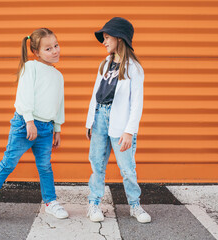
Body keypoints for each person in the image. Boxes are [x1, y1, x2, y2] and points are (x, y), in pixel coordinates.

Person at [0, 28, 68, 224]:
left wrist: (57, 127)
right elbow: (24, 96)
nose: (55, 51)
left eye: (56, 45)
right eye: (48, 48)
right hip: (25, 125)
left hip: (46, 128)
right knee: (8, 163)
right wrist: (29, 121)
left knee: (45, 166)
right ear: (36, 52)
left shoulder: (58, 76)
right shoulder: (30, 67)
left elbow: (59, 102)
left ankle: (50, 202)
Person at [85, 17, 151, 223]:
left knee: (127, 168)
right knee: (97, 164)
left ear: (120, 39)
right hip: (99, 118)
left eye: (107, 37)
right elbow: (96, 93)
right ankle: (93, 204)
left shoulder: (134, 68)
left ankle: (135, 206)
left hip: (120, 121)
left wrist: (129, 131)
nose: (104, 42)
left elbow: (136, 104)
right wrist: (90, 122)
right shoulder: (104, 64)